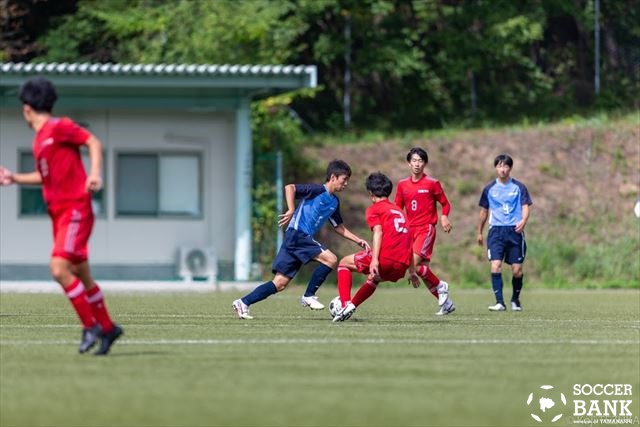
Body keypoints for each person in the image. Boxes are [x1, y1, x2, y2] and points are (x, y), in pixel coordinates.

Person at [0, 77, 123, 355]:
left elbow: (92, 142)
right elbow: (45, 177)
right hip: (59, 215)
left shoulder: (60, 127)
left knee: (58, 269)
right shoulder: (40, 140)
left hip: (75, 210)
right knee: (83, 277)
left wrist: (94, 173)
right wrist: (14, 178)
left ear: (27, 108)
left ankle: (89, 325)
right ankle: (107, 327)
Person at [232, 159, 369, 319]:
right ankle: (308, 295)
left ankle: (243, 302)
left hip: (297, 239)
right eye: (344, 179)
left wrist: (358, 240)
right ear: (333, 177)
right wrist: (291, 209)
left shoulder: (334, 202)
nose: (345, 184)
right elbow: (290, 188)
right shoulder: (317, 190)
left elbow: (338, 227)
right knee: (331, 259)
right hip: (297, 234)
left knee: (279, 283)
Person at [332, 172, 413, 322]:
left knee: (344, 263)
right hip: (402, 264)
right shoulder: (400, 212)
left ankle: (345, 305)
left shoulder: (375, 209)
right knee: (374, 278)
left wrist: (375, 259)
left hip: (386, 258)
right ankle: (350, 307)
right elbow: (409, 239)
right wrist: (412, 270)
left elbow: (378, 231)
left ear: (370, 193)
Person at [394, 147, 455, 315]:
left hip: (425, 229)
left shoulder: (432, 183)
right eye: (414, 160)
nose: (417, 164)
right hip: (409, 232)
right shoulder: (402, 185)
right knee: (422, 271)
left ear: (425, 163)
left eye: (420, 161)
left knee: (411, 264)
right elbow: (398, 210)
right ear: (408, 163)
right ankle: (446, 304)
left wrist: (444, 217)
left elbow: (445, 203)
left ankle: (442, 286)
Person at [476, 154, 533, 312]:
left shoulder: (519, 187)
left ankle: (515, 299)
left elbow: (525, 206)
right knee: (496, 265)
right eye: (500, 166)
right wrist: (479, 232)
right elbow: (483, 211)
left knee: (517, 270)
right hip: (496, 231)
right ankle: (499, 302)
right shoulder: (489, 189)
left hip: (514, 231)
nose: (503, 169)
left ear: (510, 168)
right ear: (496, 168)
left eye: (506, 166)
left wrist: (524, 220)